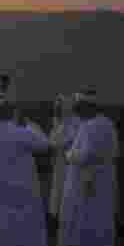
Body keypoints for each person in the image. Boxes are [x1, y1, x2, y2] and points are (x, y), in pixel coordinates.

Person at [0, 100, 49, 246]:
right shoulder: (21, 132)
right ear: (13, 114)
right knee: (23, 221)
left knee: (3, 221)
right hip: (22, 184)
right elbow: (44, 144)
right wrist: (30, 126)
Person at [59, 90, 118, 246]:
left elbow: (84, 155)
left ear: (87, 107)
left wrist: (69, 155)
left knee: (83, 214)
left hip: (86, 177)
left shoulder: (88, 126)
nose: (77, 111)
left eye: (79, 107)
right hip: (106, 176)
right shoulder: (109, 124)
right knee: (102, 215)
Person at [48, 95, 77, 223]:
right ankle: (55, 215)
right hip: (59, 160)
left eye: (59, 107)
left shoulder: (73, 122)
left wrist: (55, 144)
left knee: (65, 188)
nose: (57, 109)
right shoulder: (58, 121)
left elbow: (68, 140)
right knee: (57, 187)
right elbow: (53, 137)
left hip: (68, 162)